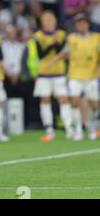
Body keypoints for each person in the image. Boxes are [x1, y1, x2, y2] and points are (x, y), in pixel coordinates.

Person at [47, 14, 100, 141]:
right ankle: (78, 129)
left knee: (94, 104)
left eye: (83, 23)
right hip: (75, 75)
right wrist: (53, 61)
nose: (81, 25)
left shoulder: (96, 38)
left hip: (91, 75)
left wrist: (98, 72)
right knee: (75, 101)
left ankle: (92, 128)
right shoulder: (71, 38)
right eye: (78, 23)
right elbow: (65, 52)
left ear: (87, 24)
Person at [33, 11, 73, 142]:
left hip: (59, 73)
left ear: (55, 21)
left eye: (51, 19)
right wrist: (52, 44)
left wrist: (57, 43)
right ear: (42, 22)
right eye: (46, 20)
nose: (49, 22)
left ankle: (69, 128)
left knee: (64, 99)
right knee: (45, 100)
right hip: (44, 73)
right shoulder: (38, 36)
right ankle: (49, 130)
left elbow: (64, 52)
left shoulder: (62, 34)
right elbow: (41, 54)